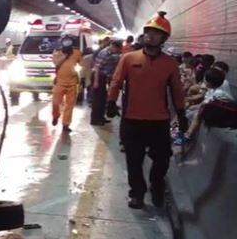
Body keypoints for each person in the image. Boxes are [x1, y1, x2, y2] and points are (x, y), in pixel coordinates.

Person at [106, 11, 187, 209]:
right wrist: (110, 102)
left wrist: (182, 113)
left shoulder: (170, 64)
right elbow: (116, 82)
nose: (151, 35)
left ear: (164, 38)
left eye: (156, 33)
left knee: (162, 159)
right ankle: (137, 193)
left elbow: (177, 90)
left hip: (159, 121)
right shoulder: (128, 58)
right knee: (134, 160)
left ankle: (156, 186)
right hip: (132, 119)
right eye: (148, 31)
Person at [174, 67, 234, 145]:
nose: (204, 81)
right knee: (190, 111)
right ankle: (181, 131)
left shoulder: (219, 94)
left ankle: (187, 135)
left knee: (197, 114)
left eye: (205, 79)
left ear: (209, 82)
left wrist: (192, 106)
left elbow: (205, 106)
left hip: (224, 116)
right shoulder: (213, 90)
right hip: (216, 112)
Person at [51, 32, 82, 133]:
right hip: (59, 82)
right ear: (62, 42)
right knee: (56, 103)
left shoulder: (77, 52)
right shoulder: (57, 52)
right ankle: (56, 116)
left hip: (72, 83)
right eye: (65, 41)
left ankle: (66, 124)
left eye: (69, 41)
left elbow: (82, 63)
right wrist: (65, 56)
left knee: (70, 105)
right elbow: (56, 63)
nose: (67, 42)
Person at [90, 39, 122, 126]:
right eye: (117, 50)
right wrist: (96, 82)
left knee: (103, 99)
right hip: (97, 76)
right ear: (113, 47)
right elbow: (97, 68)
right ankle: (95, 119)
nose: (117, 52)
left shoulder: (112, 54)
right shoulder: (104, 53)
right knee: (97, 100)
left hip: (103, 77)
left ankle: (101, 117)